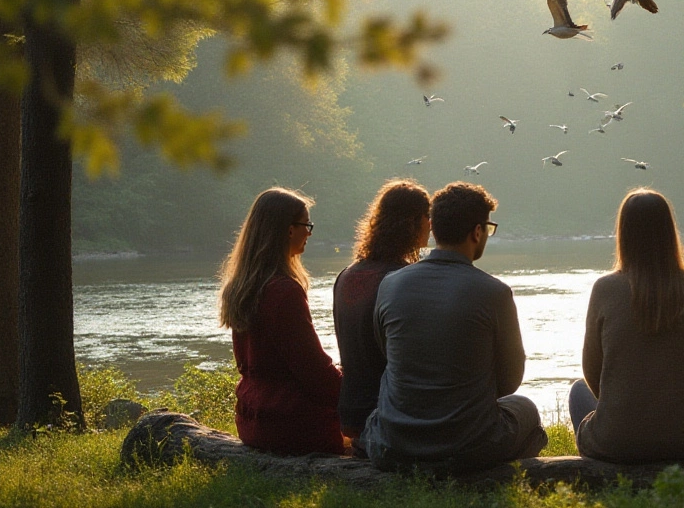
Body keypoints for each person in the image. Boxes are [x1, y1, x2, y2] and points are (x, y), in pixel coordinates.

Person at [362, 182, 547, 470]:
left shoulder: (390, 284)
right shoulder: (494, 292)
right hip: (467, 445)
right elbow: (511, 380)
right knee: (526, 409)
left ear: (433, 228)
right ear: (477, 231)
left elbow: (387, 353)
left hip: (393, 443)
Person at [569, 189, 684, 463]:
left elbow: (592, 372)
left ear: (623, 233)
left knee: (578, 392)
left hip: (617, 444)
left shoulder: (605, 289)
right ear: (670, 232)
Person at [218, 187, 343, 456]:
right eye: (305, 225)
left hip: (252, 418)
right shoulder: (283, 291)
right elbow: (314, 372)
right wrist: (355, 393)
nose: (309, 233)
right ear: (288, 229)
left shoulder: (241, 286)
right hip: (290, 423)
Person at [333, 179, 431, 447]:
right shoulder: (402, 279)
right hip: (385, 414)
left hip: (350, 414)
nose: (431, 225)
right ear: (413, 222)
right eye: (427, 217)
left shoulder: (346, 275)